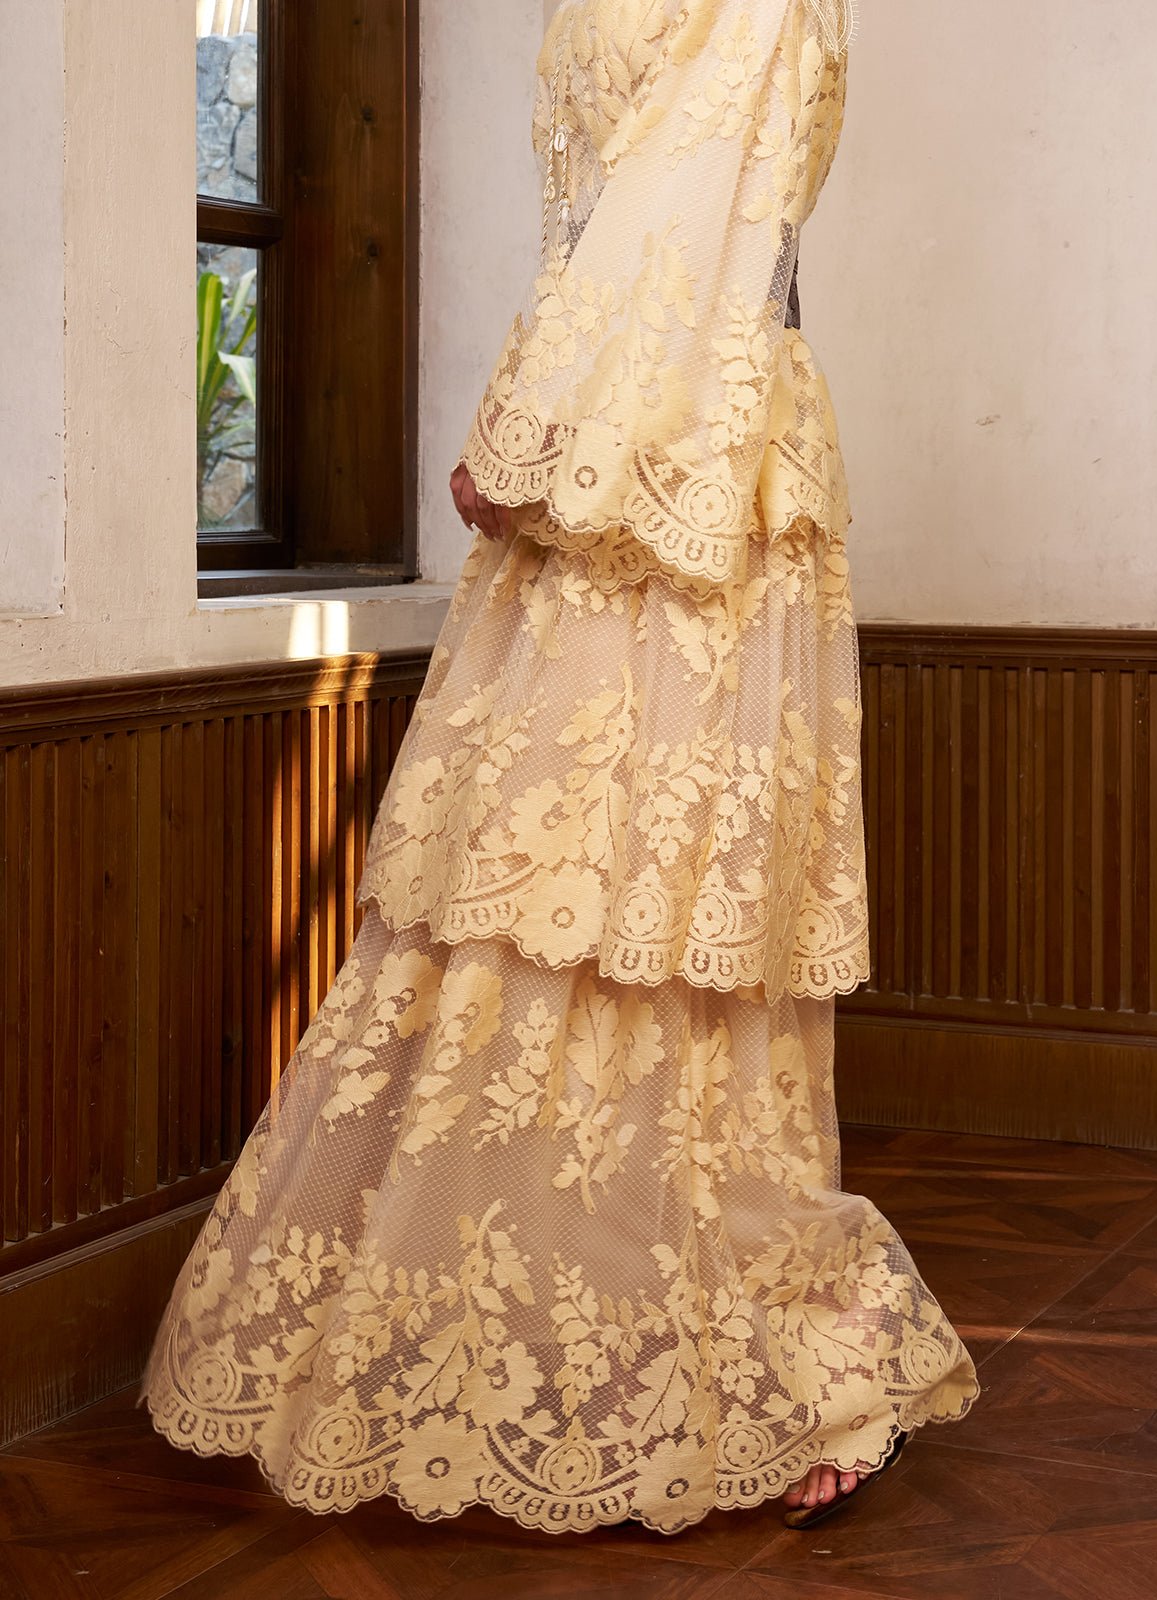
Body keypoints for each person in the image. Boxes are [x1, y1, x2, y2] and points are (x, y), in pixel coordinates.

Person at [140, 0, 979, 1535]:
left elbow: (695, 219)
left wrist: (532, 443)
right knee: (526, 898)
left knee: (671, 921)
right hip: (595, 479)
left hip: (692, 477)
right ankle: (535, 1353)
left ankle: (805, 1352)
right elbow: (597, 219)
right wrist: (537, 445)